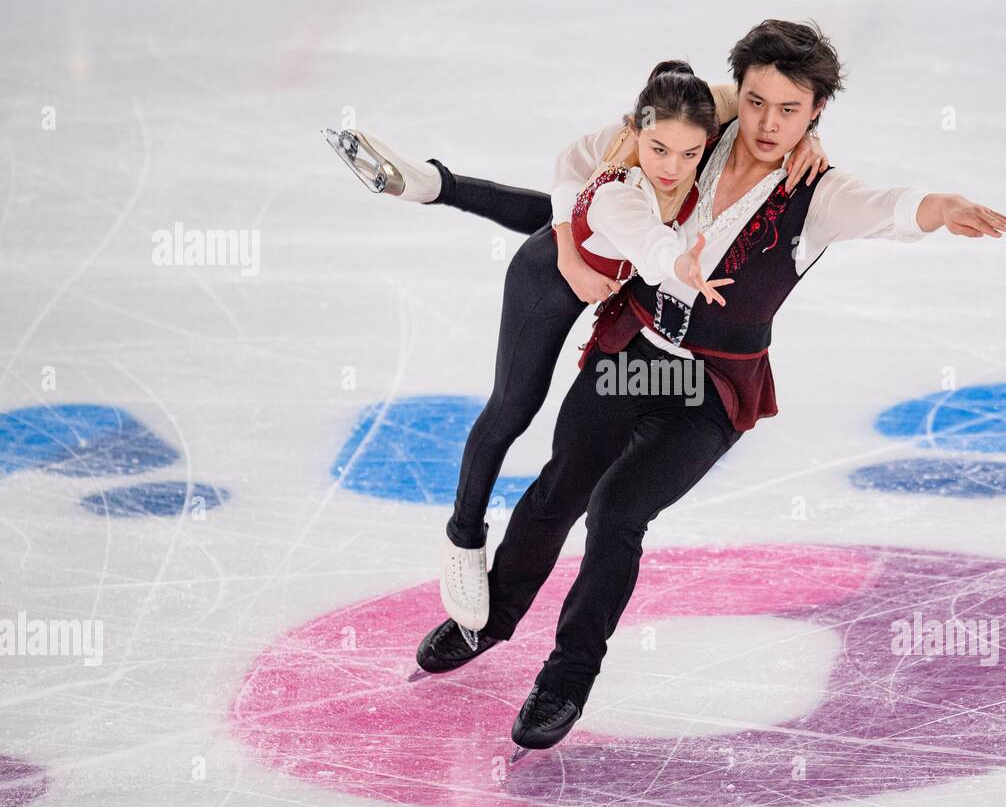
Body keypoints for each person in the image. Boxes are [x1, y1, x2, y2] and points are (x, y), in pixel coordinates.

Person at [407, 19, 1006, 758]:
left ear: (816, 112)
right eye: (757, 101)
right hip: (633, 352)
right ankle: (488, 620)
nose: (768, 123)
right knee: (559, 488)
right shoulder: (701, 127)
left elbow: (885, 208)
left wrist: (938, 207)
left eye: (790, 110)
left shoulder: (815, 194)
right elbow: (588, 161)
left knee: (617, 510)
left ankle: (567, 675)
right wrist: (566, 237)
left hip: (710, 388)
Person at [323, 65, 829, 638]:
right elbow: (622, 217)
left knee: (578, 217)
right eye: (658, 146)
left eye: (687, 152)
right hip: (550, 282)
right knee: (513, 409)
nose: (674, 162)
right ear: (637, 128)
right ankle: (463, 536)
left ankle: (433, 184)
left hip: (603, 251)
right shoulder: (626, 157)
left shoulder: (710, 116)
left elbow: (771, 111)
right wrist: (569, 253)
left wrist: (807, 136)